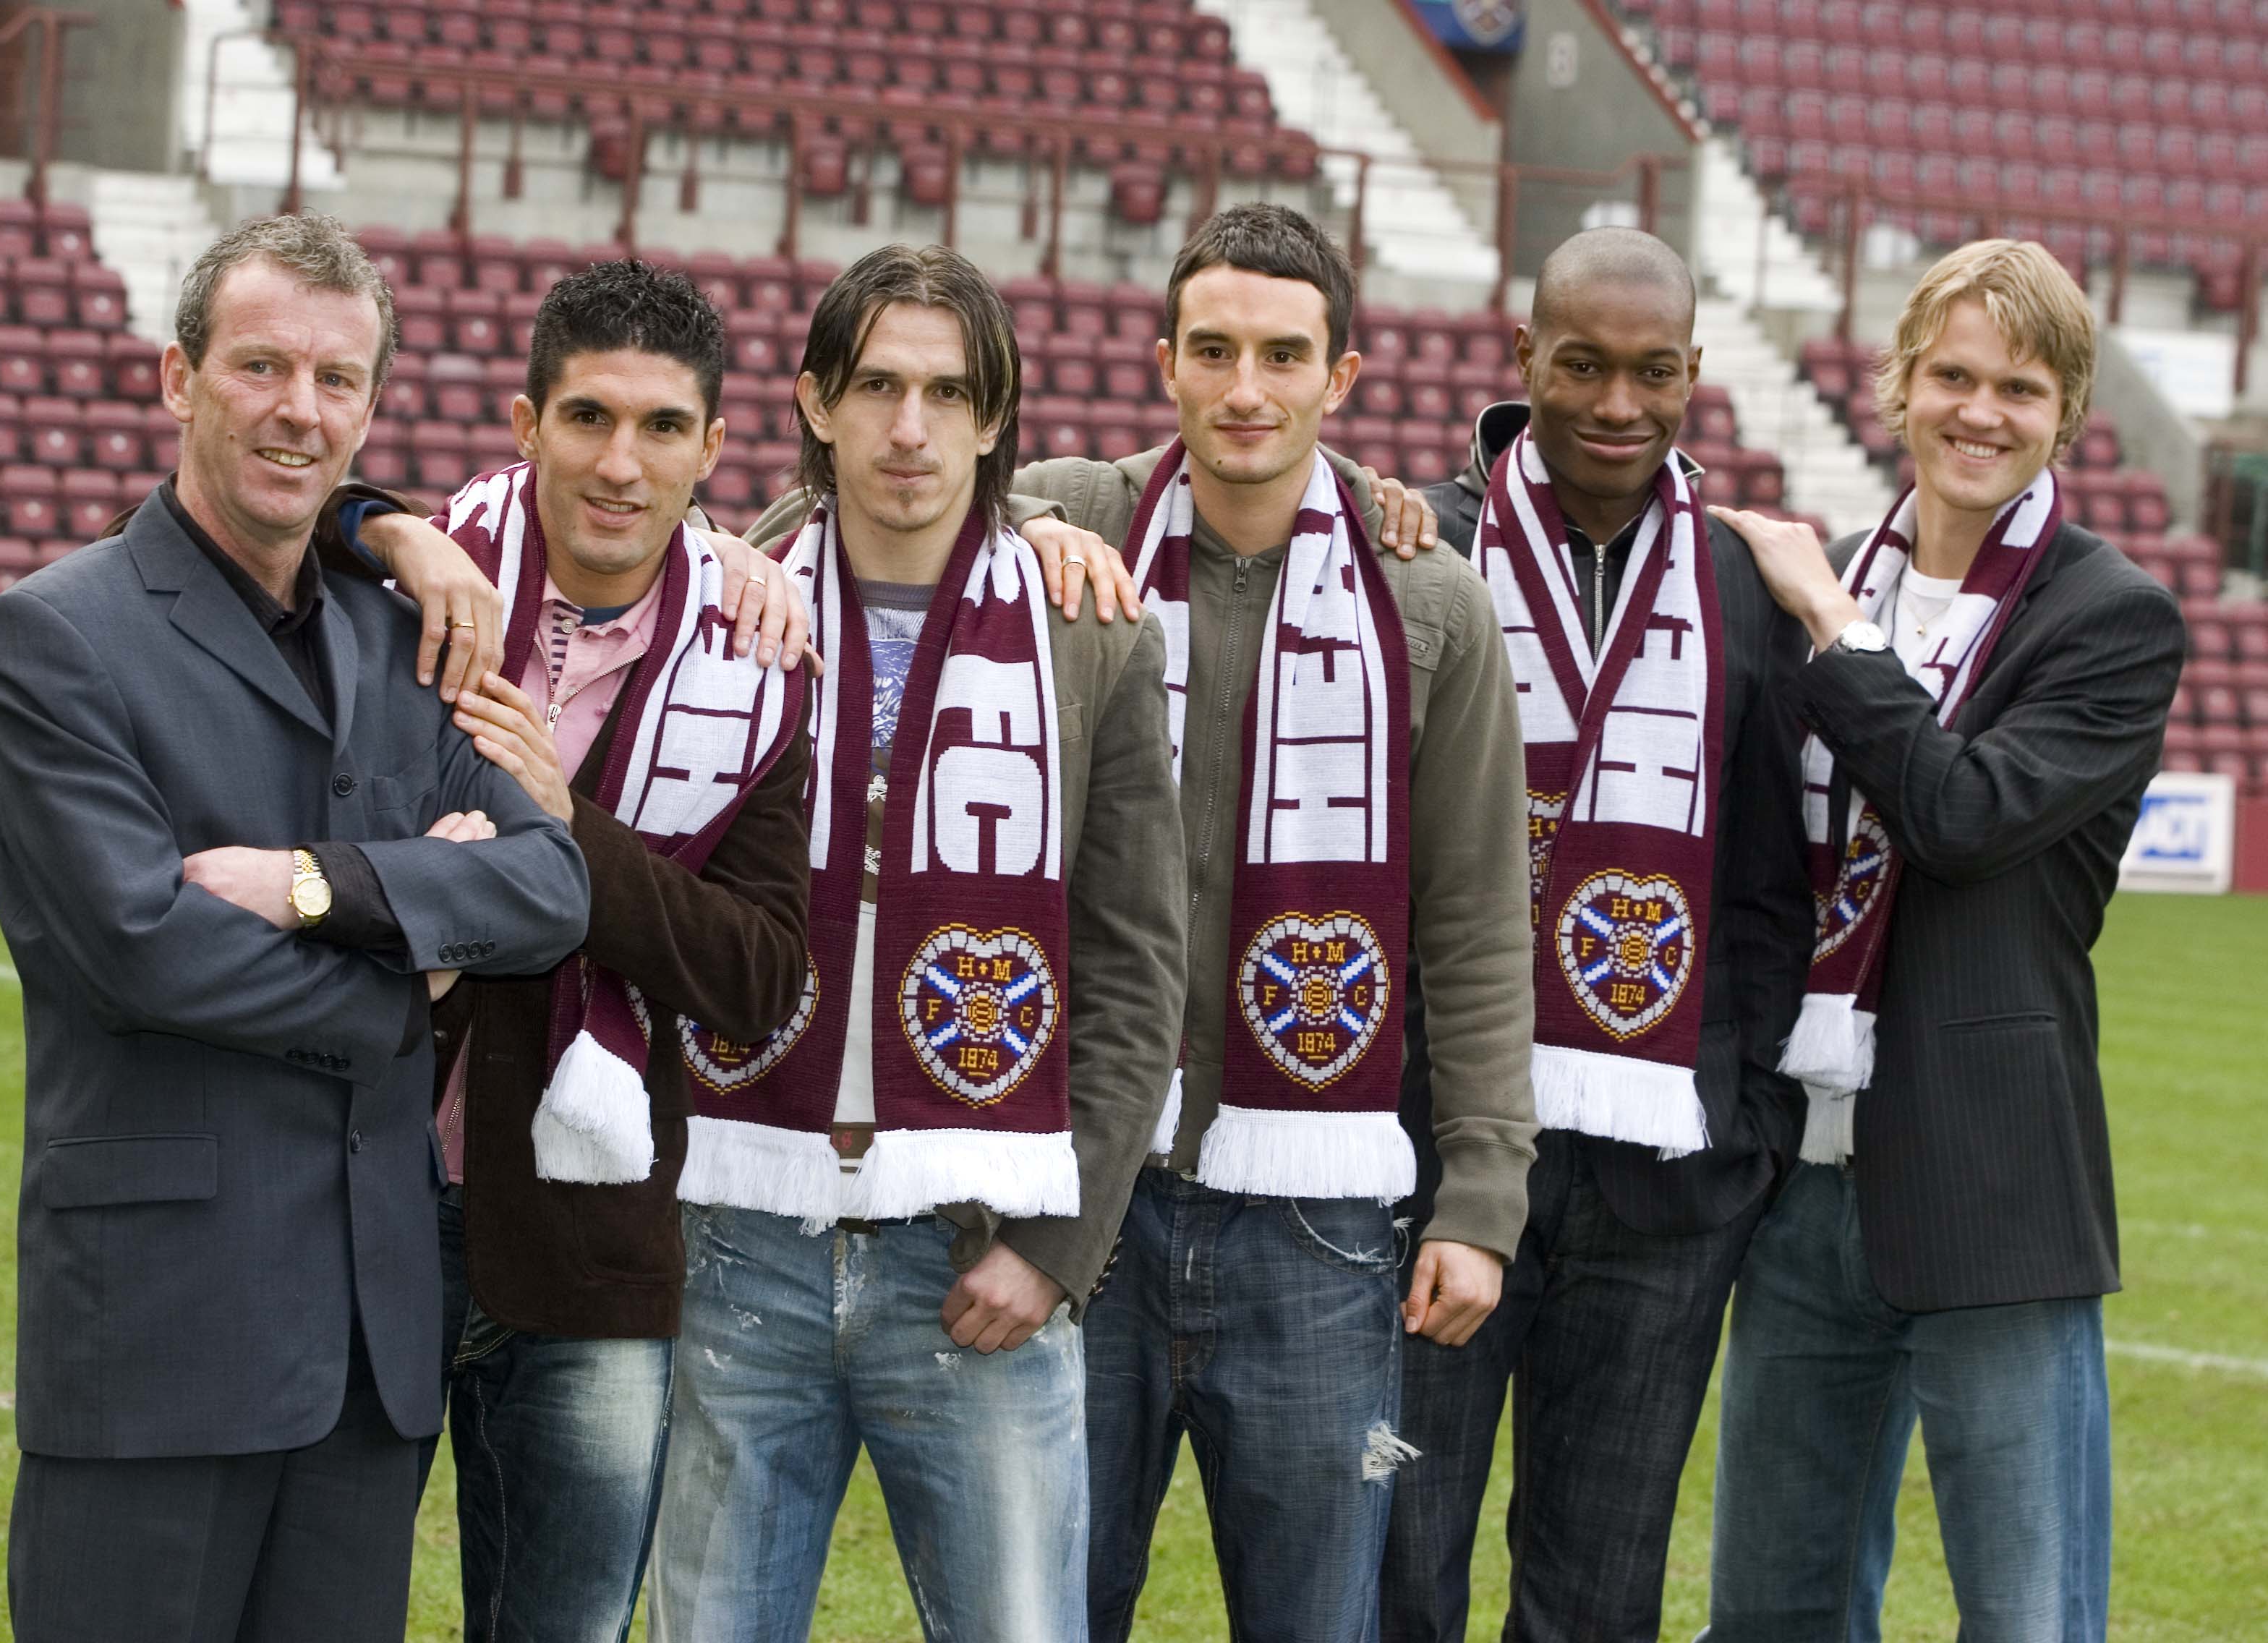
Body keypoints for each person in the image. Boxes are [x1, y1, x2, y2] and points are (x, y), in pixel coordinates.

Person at [912, 202, 1538, 1642]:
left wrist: (1482, 1194)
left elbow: (1475, 924)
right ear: (1162, 361)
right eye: (1213, 350)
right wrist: (1017, 519)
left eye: (1281, 354)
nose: (1243, 387)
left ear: (1342, 379)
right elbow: (861, 508)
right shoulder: (1064, 521)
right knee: (1036, 1611)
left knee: (1318, 1617)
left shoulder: (1428, 601)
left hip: (1315, 1218)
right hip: (1076, 1198)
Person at [0, 213, 589, 1642]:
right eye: (260, 366)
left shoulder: (404, 632)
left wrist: (327, 887)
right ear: (178, 379)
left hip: (369, 1351)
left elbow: (549, 885)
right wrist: (421, 963)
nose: (297, 409)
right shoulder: (58, 632)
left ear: (371, 406)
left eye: (335, 380)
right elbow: (142, 946)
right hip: (161, 1331)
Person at [640, 242, 1188, 1643]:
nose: (908, 428)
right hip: (737, 1228)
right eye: (875, 385)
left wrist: (1058, 1247)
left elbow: (1135, 969)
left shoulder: (1085, 628)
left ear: (996, 419)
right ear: (814, 402)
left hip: (972, 1243)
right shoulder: (715, 599)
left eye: (947, 393)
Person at [304, 259, 815, 1642]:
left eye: (663, 428)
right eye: (587, 417)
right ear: (525, 425)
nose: (620, 461)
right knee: (309, 1607)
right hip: (357, 1201)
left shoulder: (760, 662)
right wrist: (383, 524)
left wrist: (564, 832)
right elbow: (221, 526)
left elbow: (761, 976)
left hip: (595, 1240)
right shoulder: (400, 582)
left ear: (715, 449)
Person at [1703, 239, 2183, 1642]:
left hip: (1988, 1186)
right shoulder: (1796, 583)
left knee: (2024, 1615)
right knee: (1766, 1610)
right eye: (1953, 375)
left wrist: (1840, 631)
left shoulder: (2107, 617)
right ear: (1896, 383)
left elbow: (1957, 811)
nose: (1979, 412)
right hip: (1796, 1179)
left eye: (2018, 388)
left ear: (2064, 413)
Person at [1376, 227, 1815, 1643]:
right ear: (1520, 359)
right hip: (1436, 1156)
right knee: (1394, 1557)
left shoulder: (1743, 585)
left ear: (1692, 373)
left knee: (1597, 1593)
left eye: (1649, 371)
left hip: (1664, 1176)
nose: (1615, 403)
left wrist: (1740, 1117)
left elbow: (1765, 887)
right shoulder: (1415, 550)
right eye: (1580, 364)